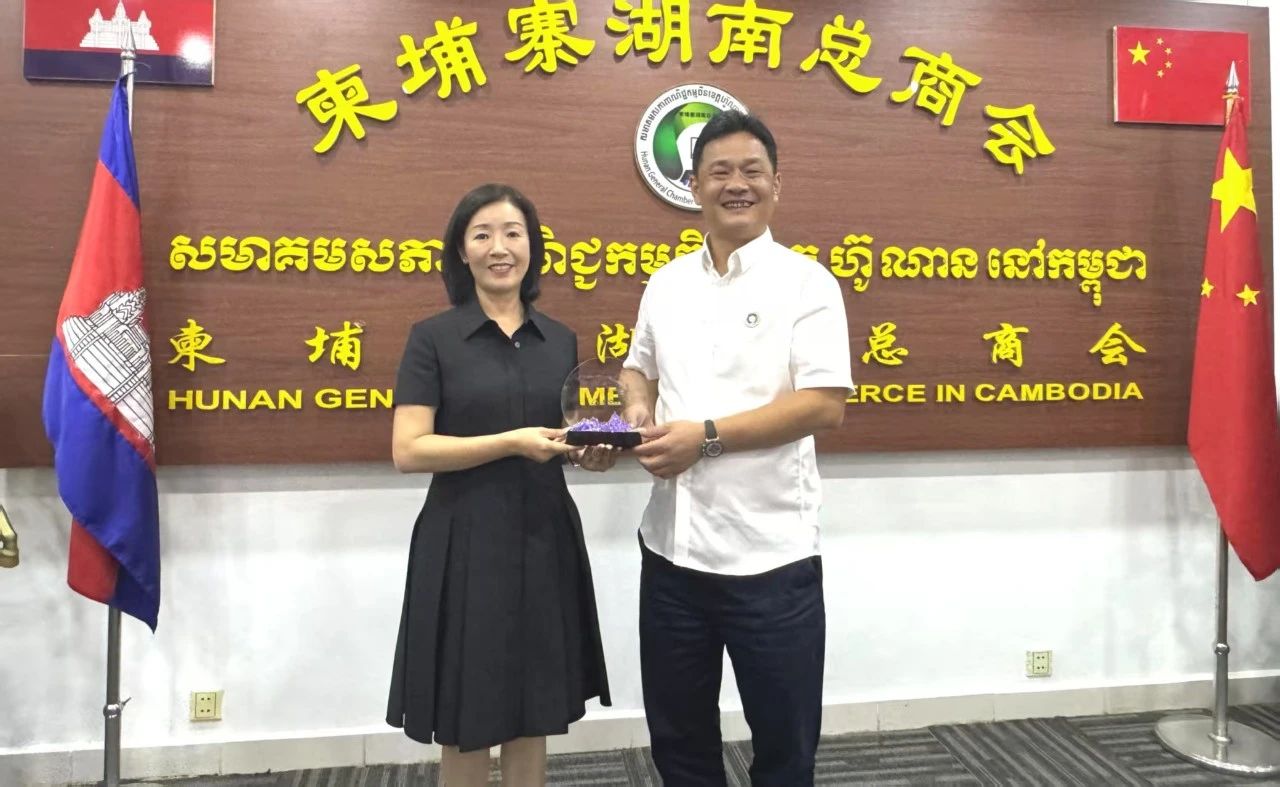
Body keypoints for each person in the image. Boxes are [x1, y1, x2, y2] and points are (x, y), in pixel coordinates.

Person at [619, 110, 853, 786]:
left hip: (770, 560)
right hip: (671, 555)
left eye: (752, 170)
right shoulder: (666, 283)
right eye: (719, 171)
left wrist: (706, 437)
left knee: (784, 750)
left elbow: (824, 404)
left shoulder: (807, 283)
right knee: (679, 744)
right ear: (694, 186)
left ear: (777, 184)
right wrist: (637, 410)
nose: (736, 184)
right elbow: (638, 368)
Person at [387, 183, 614, 786]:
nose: (499, 248)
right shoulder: (432, 338)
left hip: (544, 534)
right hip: (464, 538)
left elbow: (561, 437)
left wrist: (587, 455)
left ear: (532, 247)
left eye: (513, 233)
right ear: (462, 251)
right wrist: (511, 442)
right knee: (467, 711)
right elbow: (409, 449)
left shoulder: (559, 339)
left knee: (534, 706)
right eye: (482, 234)